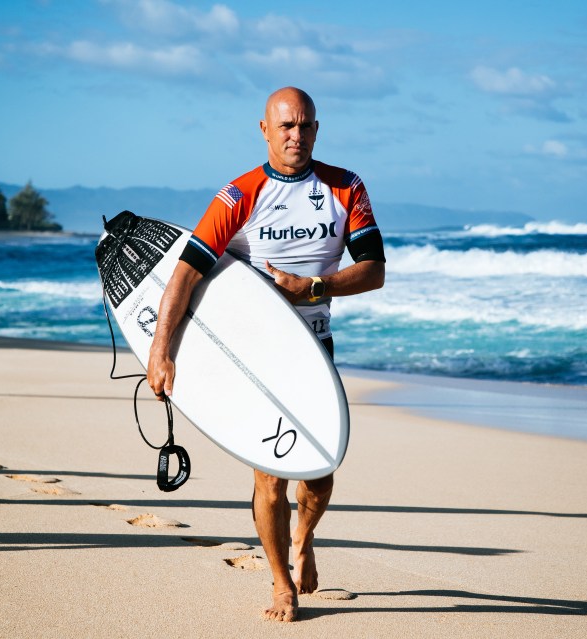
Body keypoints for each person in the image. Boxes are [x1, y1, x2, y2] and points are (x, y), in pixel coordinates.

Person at [146, 86, 385, 622]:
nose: (296, 135)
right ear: (264, 130)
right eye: (285, 127)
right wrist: (162, 349)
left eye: (304, 126)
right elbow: (185, 272)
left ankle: (304, 538)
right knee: (270, 475)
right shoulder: (239, 196)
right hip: (255, 356)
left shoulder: (346, 188)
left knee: (321, 472)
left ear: (317, 129)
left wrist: (314, 287)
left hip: (315, 350)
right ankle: (281, 586)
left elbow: (375, 270)